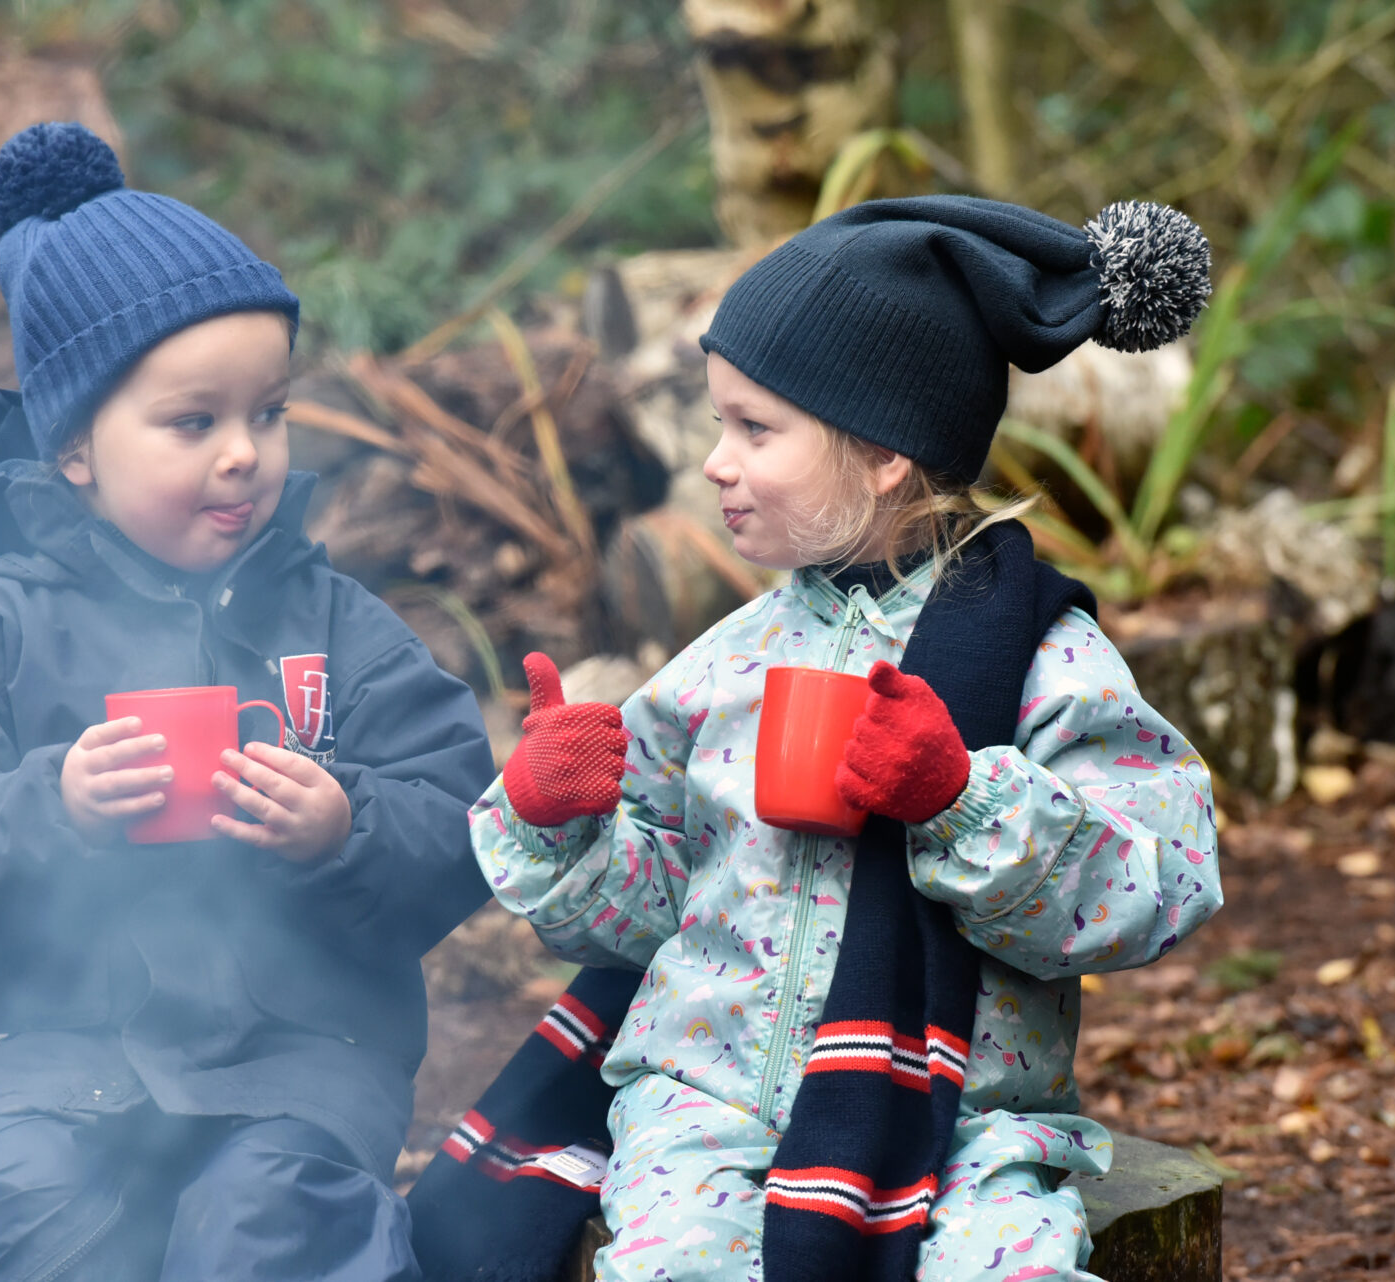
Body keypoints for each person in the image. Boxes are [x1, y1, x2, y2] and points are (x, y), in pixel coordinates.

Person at [459, 196, 1224, 1282]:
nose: (716, 462)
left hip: (963, 1122)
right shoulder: (728, 660)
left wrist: (961, 799)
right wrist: (562, 820)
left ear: (885, 456)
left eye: (754, 428)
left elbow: (1165, 882)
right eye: (718, 424)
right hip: (708, 1108)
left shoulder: (1044, 658)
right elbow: (655, 913)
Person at [0, 121, 494, 1282]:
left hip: (295, 1063)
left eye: (269, 411)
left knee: (276, 1224)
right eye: (195, 422)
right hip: (33, 1060)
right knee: (25, 1205)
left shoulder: (336, 624)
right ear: (78, 448)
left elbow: (464, 813)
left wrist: (347, 826)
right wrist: (57, 808)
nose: (244, 453)